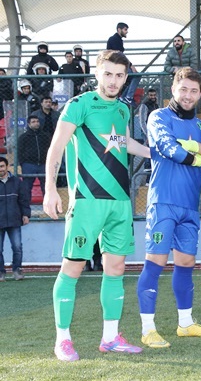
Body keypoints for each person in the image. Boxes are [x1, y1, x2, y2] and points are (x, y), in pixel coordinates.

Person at [44, 50, 151, 362]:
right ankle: (62, 340)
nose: (113, 81)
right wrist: (50, 189)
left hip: (119, 202)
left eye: (119, 75)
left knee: (116, 268)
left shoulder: (123, 109)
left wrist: (155, 152)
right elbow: (56, 147)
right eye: (108, 74)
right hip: (86, 200)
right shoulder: (79, 104)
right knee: (73, 267)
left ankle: (111, 337)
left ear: (126, 78)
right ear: (97, 74)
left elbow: (123, 143)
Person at [136, 67, 201, 348]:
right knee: (155, 263)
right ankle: (148, 329)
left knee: (186, 264)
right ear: (174, 89)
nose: (188, 95)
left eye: (194, 91)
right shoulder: (159, 116)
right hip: (163, 202)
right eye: (183, 89)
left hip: (189, 205)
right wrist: (198, 156)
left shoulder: (200, 125)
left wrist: (193, 147)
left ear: (200, 94)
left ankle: (185, 324)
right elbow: (167, 147)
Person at [0, 156, 30, 281]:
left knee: (17, 247)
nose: (0, 169)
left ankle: (17, 270)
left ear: (7, 166)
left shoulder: (17, 182)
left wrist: (26, 215)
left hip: (14, 220)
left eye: (2, 166)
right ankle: (1, 273)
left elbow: (24, 200)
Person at [18, 115, 51, 201]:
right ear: (29, 124)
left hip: (43, 164)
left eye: (37, 121)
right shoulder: (23, 137)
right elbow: (19, 152)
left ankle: (48, 206)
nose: (36, 123)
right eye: (33, 122)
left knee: (46, 187)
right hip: (29, 165)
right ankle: (26, 207)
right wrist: (23, 163)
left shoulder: (45, 136)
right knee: (26, 188)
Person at [106, 22, 139, 105]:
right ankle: (128, 97)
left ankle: (124, 97)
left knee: (132, 78)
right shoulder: (114, 39)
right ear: (119, 29)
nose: (126, 31)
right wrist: (130, 65)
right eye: (125, 29)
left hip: (118, 64)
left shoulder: (118, 39)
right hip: (116, 65)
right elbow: (119, 54)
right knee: (136, 75)